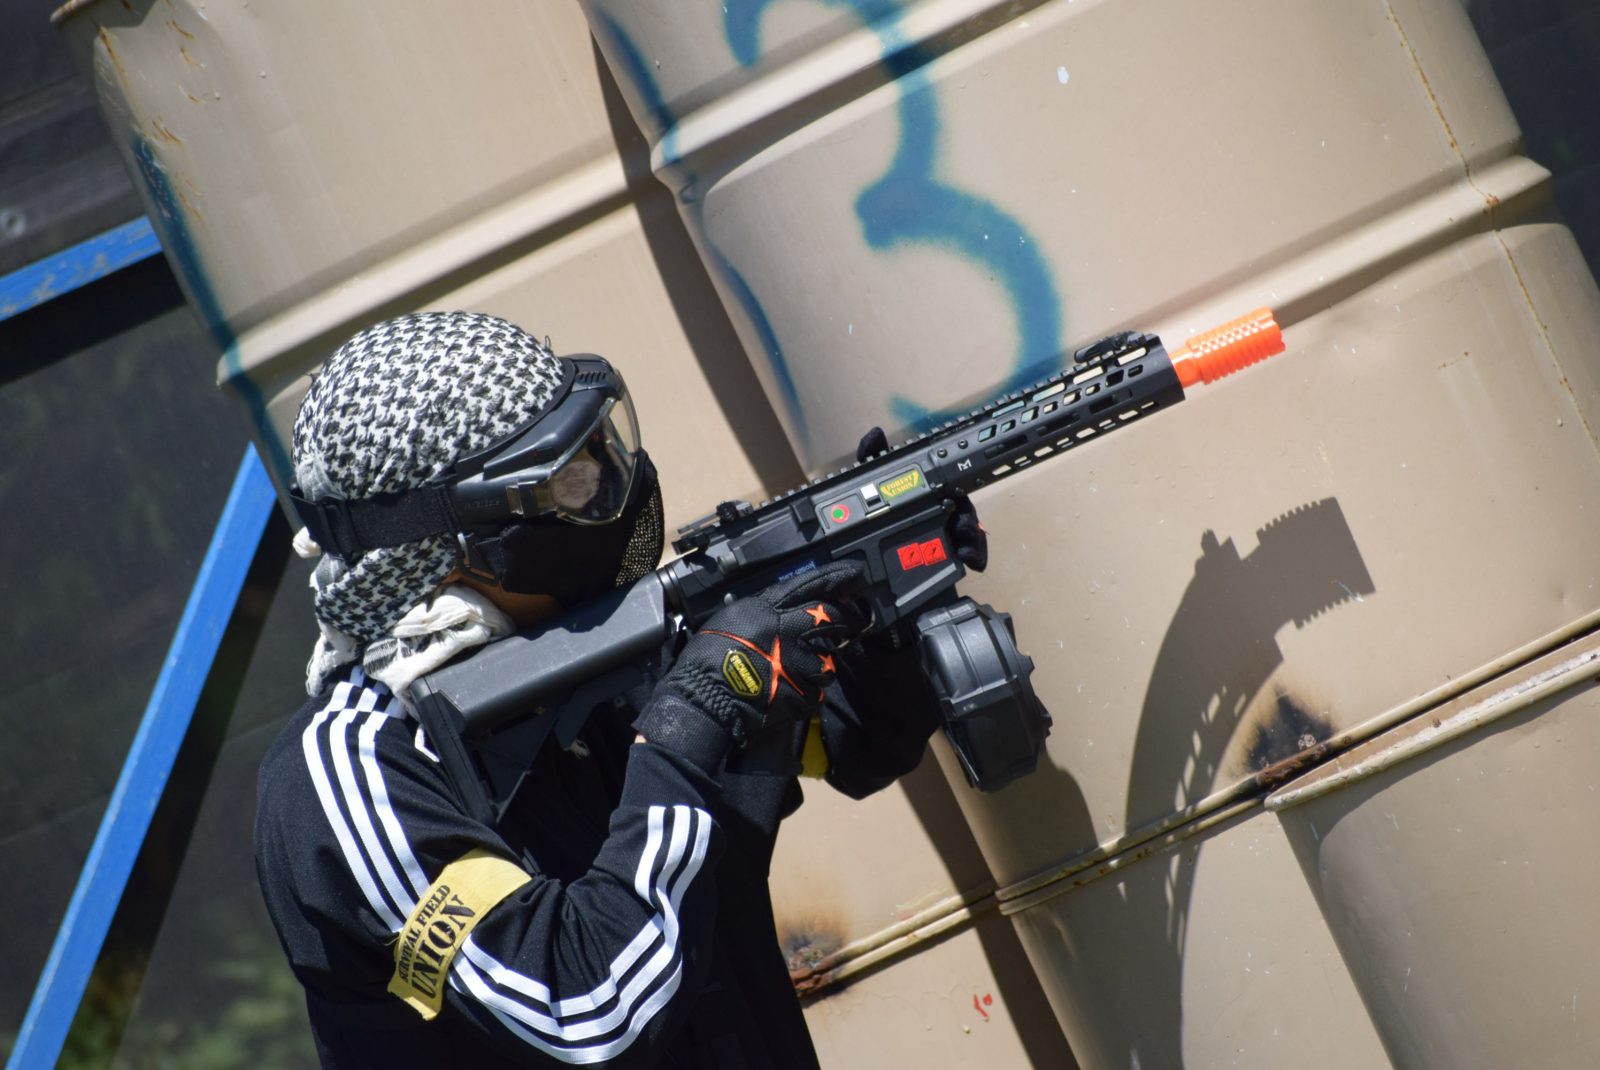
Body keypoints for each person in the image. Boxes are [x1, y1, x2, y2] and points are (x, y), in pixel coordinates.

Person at [254, 311, 976, 1069]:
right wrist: (691, 718)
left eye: (603, 450)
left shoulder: (595, 651)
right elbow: (586, 1012)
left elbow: (855, 742)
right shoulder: (348, 776)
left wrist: (886, 603)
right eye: (572, 481)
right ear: (459, 546)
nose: (610, 489)